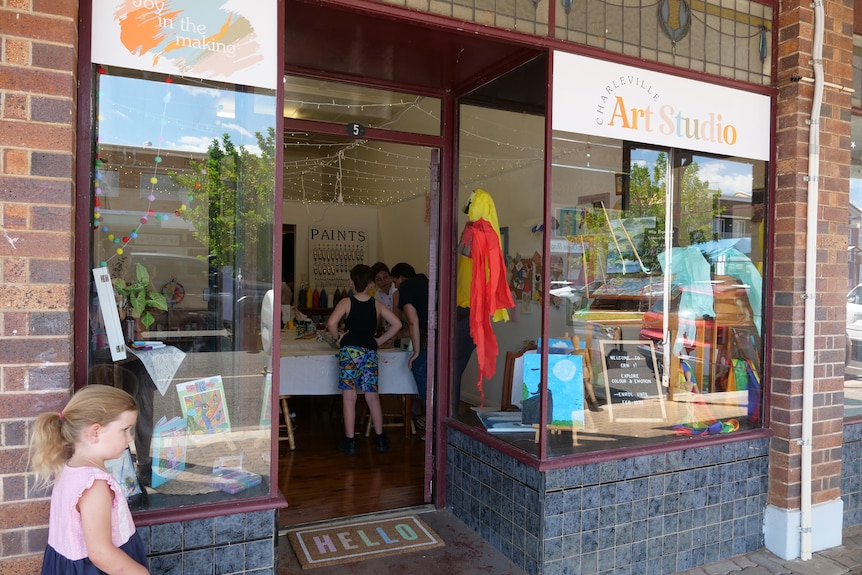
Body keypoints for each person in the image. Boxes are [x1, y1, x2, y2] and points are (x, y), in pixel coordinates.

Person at [29, 385, 149, 575]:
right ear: (95, 432)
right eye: (125, 430)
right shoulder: (95, 485)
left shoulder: (70, 468)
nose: (129, 438)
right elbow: (101, 554)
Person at [327, 264, 402, 455]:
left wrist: (337, 339)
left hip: (349, 352)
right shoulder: (376, 304)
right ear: (370, 284)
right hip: (370, 351)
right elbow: (397, 324)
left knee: (349, 398)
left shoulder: (346, 302)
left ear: (351, 282)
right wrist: (379, 341)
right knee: (372, 397)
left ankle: (350, 442)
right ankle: (380, 440)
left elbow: (331, 323)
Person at [390, 262, 430, 429]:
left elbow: (413, 322)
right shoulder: (424, 283)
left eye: (394, 281)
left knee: (418, 367)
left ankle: (432, 419)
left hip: (431, 335)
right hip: (448, 332)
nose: (395, 286)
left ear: (401, 278)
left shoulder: (405, 288)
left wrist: (416, 351)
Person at [370, 262, 397, 338]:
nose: (383, 281)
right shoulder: (378, 294)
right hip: (389, 330)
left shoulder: (396, 290)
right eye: (379, 279)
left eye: (385, 277)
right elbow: (377, 317)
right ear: (374, 282)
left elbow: (396, 317)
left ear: (390, 276)